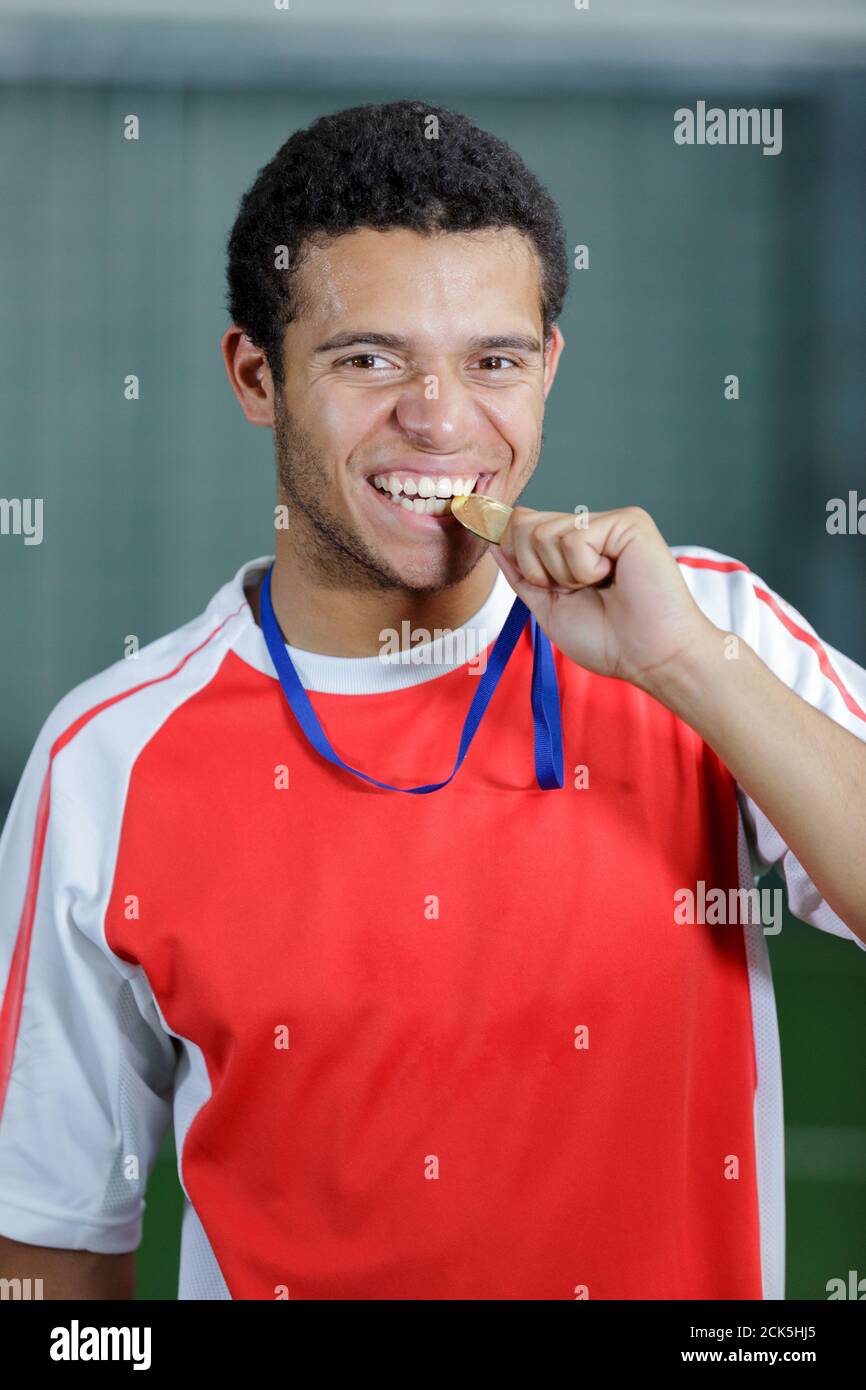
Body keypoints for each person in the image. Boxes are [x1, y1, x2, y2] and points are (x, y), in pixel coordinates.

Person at [0, 99, 864, 1301]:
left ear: (548, 369)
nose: (442, 419)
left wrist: (683, 669)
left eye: (493, 361)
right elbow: (45, 1249)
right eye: (369, 358)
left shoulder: (703, 631)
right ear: (256, 374)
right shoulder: (107, 758)